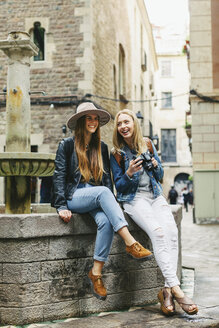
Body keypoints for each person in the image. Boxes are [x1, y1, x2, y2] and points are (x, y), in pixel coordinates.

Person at [52, 102, 152, 301]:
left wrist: (112, 206)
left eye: (95, 118)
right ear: (81, 121)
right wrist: (61, 205)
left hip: (96, 195)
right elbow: (59, 175)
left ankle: (96, 274)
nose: (93, 122)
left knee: (105, 221)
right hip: (75, 195)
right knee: (104, 193)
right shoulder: (67, 145)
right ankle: (130, 242)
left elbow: (106, 179)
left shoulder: (102, 147)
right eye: (89, 118)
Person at [110, 109, 198, 316]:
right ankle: (177, 290)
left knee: (172, 233)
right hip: (134, 199)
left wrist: (156, 165)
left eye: (126, 122)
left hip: (155, 195)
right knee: (158, 232)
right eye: (119, 123)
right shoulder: (116, 153)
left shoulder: (147, 143)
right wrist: (129, 173)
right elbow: (119, 187)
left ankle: (166, 291)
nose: (123, 126)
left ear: (134, 124)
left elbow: (159, 175)